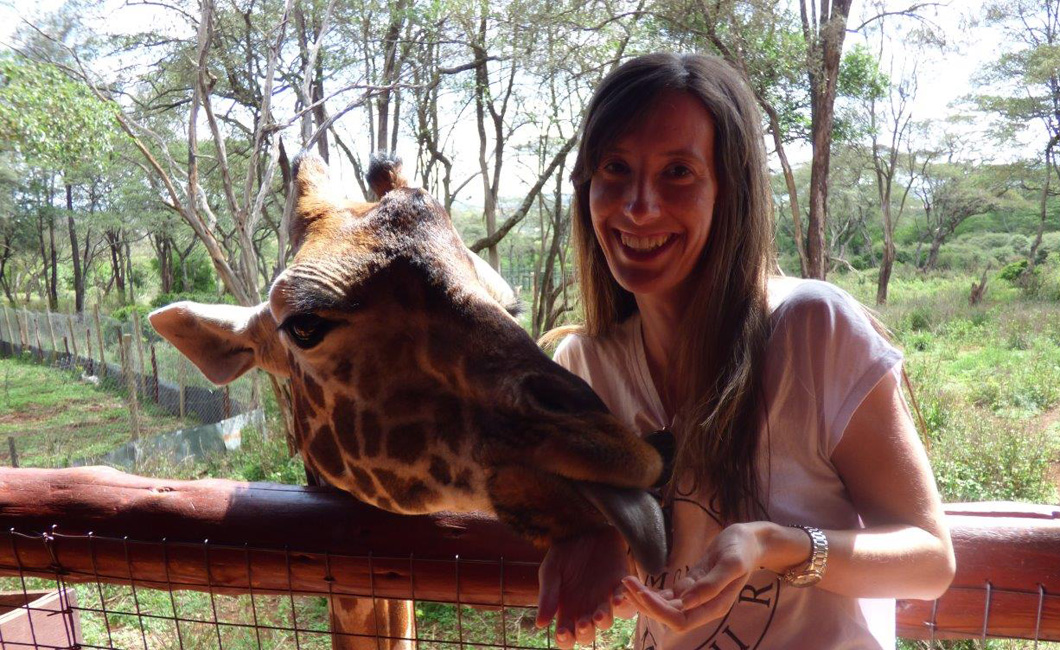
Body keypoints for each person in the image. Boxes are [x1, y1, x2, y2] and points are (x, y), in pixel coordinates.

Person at [534, 53, 955, 650]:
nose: (638, 206)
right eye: (615, 168)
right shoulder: (585, 366)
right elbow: (626, 546)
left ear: (728, 191)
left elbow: (930, 560)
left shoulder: (814, 331)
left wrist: (773, 546)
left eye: (678, 172)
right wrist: (586, 541)